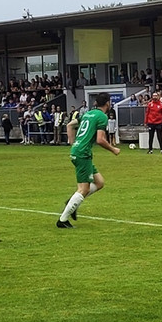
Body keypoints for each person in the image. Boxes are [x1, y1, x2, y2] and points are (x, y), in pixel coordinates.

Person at [57, 92, 120, 228]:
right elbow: (100, 140)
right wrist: (113, 149)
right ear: (108, 103)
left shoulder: (88, 113)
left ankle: (73, 201)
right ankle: (62, 220)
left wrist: (73, 143)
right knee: (83, 189)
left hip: (79, 150)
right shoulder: (102, 117)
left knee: (100, 182)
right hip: (83, 153)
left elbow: (70, 125)